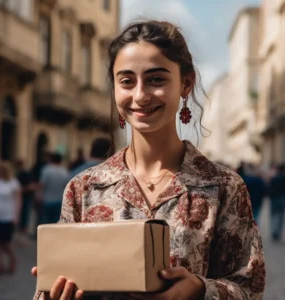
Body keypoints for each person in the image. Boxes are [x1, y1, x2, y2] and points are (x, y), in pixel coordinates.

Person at [32, 20, 265, 299]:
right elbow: (49, 288)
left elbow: (250, 287)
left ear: (186, 83)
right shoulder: (84, 189)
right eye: (127, 81)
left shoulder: (224, 187)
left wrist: (200, 289)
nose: (140, 95)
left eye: (156, 79)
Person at [39, 152, 69, 224]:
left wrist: (39, 196)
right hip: (60, 201)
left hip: (47, 200)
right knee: (56, 222)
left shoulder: (46, 170)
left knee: (46, 222)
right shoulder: (64, 171)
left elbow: (42, 185)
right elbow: (66, 186)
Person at [15, 159, 34, 235]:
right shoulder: (19, 173)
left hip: (25, 196)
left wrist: (22, 190)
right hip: (23, 195)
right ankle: (22, 226)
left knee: (25, 212)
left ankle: (24, 227)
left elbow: (30, 186)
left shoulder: (25, 173)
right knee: (23, 212)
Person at [268, 163, 285, 241]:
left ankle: (274, 231)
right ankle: (277, 232)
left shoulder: (274, 178)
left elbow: (270, 188)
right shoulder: (283, 178)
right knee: (280, 217)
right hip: (281, 199)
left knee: (273, 215)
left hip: (274, 199)